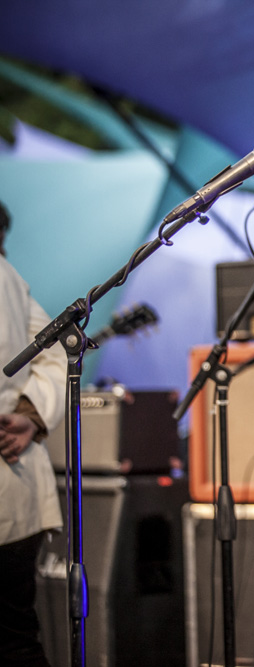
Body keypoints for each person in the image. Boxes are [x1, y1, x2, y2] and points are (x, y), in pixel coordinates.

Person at [0, 200, 66, 667]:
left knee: (13, 637)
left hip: (10, 486)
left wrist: (29, 416)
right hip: (13, 489)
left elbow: (54, 350)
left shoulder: (6, 278)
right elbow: (53, 354)